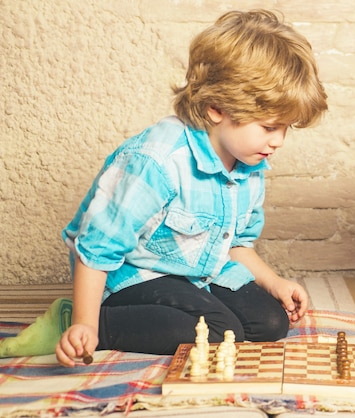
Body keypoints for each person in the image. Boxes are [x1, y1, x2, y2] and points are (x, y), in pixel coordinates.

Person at [0, 9, 327, 367]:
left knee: (269, 322)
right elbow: (94, 250)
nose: (278, 141)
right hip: (130, 276)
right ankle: (86, 324)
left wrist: (275, 283)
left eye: (286, 129)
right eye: (268, 127)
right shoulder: (157, 161)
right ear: (216, 108)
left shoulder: (250, 162)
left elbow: (234, 245)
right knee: (216, 332)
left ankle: (189, 311)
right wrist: (84, 322)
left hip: (194, 272)